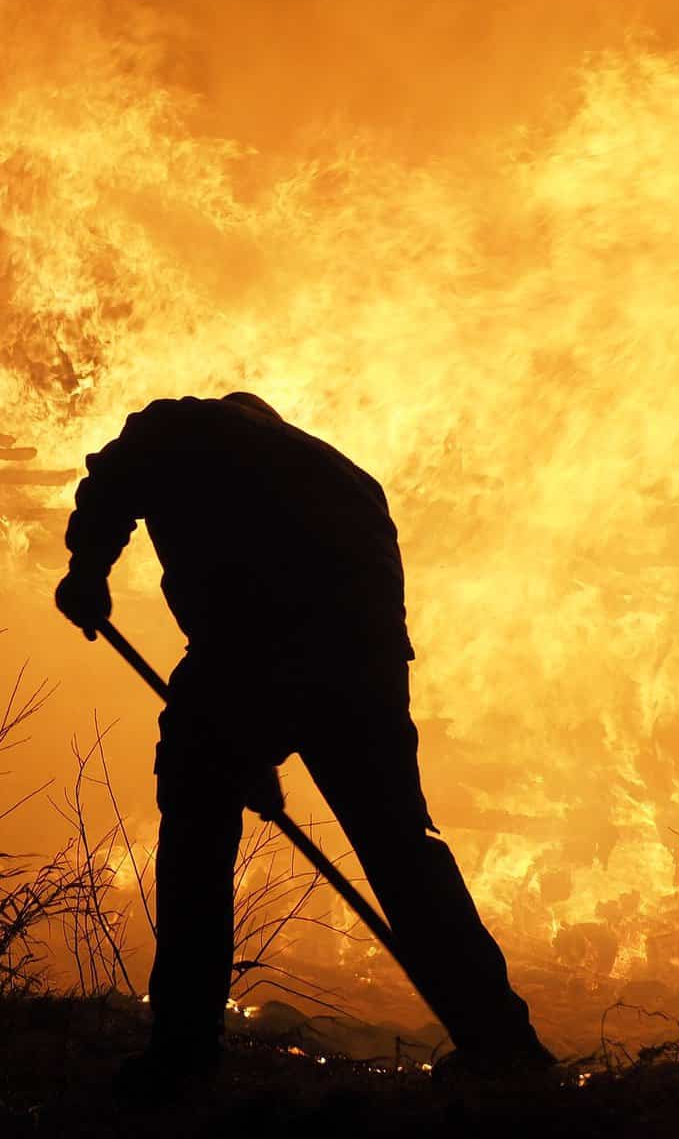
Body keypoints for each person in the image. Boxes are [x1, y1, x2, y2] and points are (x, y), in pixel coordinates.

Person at [53, 392, 550, 1100]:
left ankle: (184, 1053)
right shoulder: (344, 475)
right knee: (401, 847)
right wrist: (260, 744)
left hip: (251, 642)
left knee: (197, 825)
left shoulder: (178, 425)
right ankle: (505, 1046)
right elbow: (360, 625)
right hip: (365, 664)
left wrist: (87, 571)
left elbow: (114, 483)